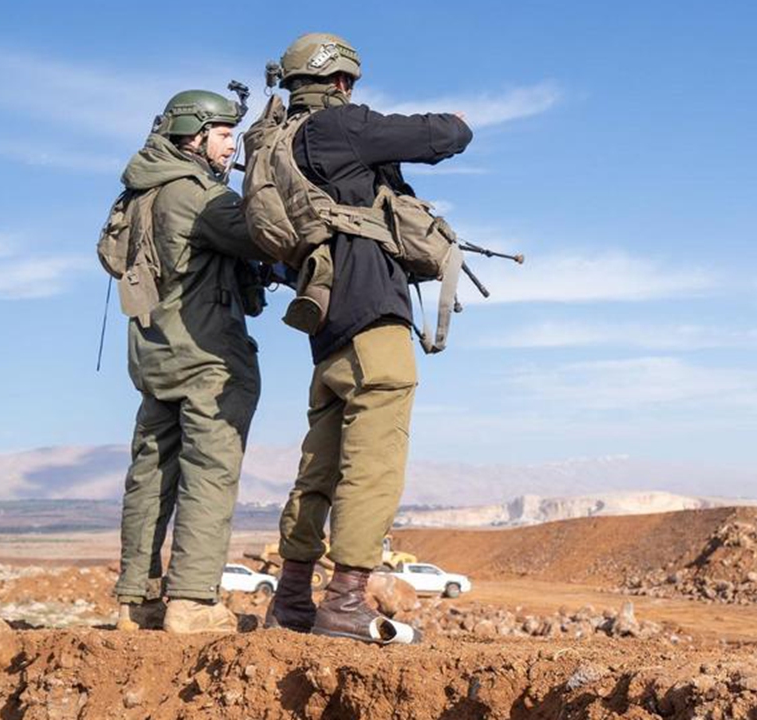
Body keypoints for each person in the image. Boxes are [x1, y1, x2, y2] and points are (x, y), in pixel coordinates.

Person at [263, 33, 472, 644]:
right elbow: (441, 137)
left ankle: (292, 598)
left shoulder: (277, 149)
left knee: (319, 468)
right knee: (373, 462)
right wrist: (458, 124)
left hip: (324, 331)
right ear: (341, 82)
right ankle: (346, 600)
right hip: (371, 319)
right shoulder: (338, 131)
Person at [112, 89, 270, 633]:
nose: (233, 146)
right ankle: (192, 601)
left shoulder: (140, 193)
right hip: (206, 357)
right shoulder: (198, 196)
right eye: (225, 135)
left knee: (150, 476)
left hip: (154, 357)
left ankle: (138, 600)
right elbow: (263, 233)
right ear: (193, 135)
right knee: (209, 471)